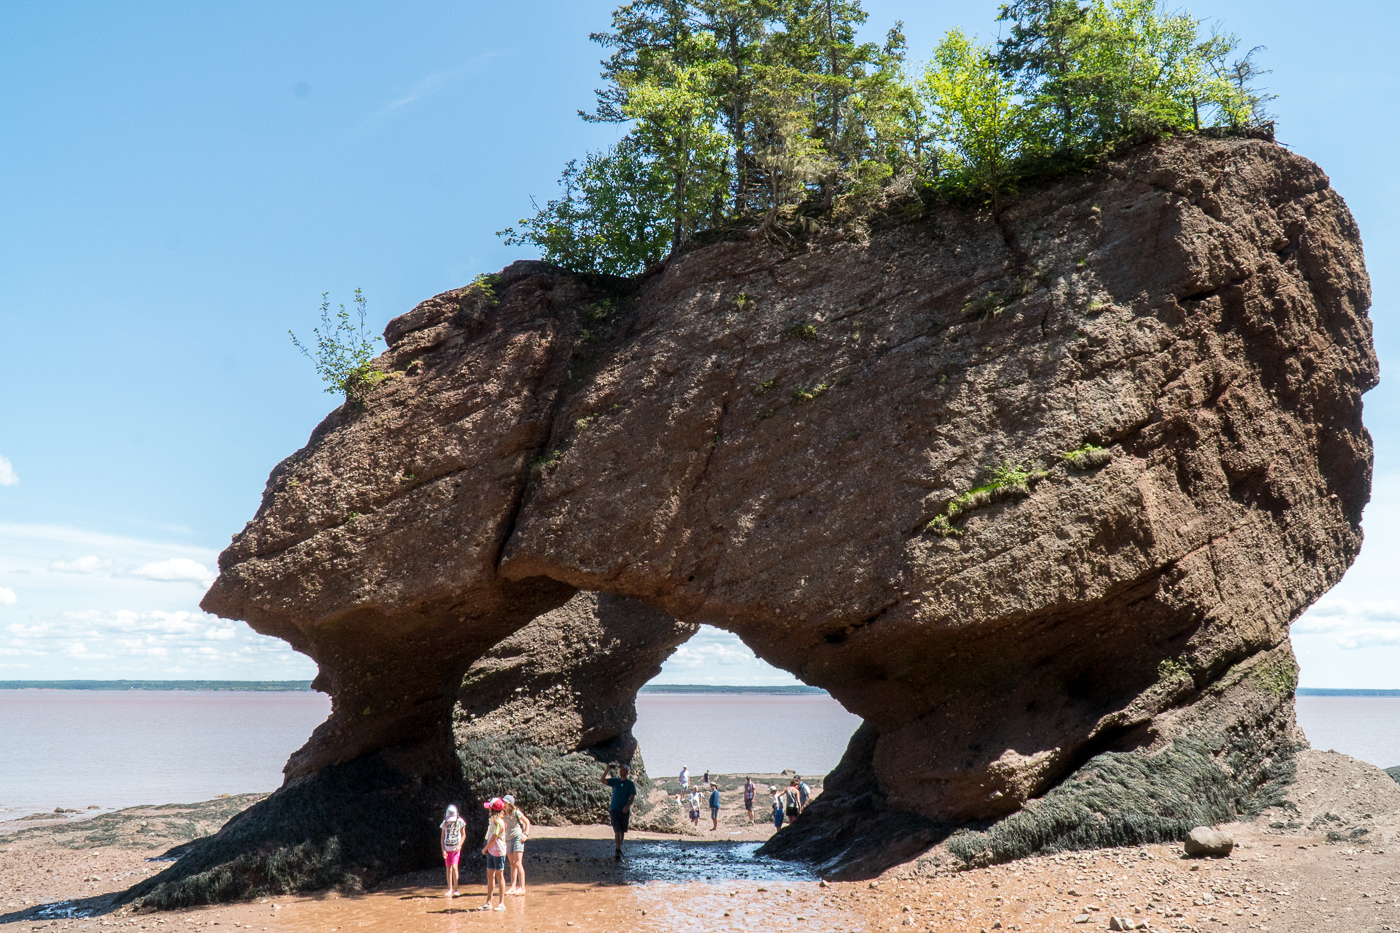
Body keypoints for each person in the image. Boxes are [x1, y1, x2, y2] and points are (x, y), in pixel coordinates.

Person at [601, 763, 637, 858]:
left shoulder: (630, 784)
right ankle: (617, 849)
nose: (621, 771)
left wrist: (627, 806)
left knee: (622, 831)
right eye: (620, 769)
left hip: (624, 811)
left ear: (627, 772)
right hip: (614, 810)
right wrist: (607, 770)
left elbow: (632, 797)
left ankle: (619, 848)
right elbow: (602, 780)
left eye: (623, 770)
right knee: (617, 830)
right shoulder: (615, 781)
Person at [480, 798, 507, 911]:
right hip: (491, 851)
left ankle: (501, 903)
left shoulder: (498, 823)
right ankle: (489, 902)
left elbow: (494, 839)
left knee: (499, 875)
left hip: (498, 852)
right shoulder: (493, 822)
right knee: (490, 875)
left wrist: (485, 848)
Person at [502, 794, 531, 896]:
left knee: (518, 863)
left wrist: (525, 834)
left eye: (505, 803)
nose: (504, 804)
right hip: (508, 839)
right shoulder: (502, 813)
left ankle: (522, 887)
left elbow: (527, 822)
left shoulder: (516, 812)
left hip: (518, 837)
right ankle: (513, 887)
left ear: (510, 804)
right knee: (512, 863)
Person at [439, 804, 466, 898]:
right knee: (448, 868)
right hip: (447, 849)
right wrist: (443, 850)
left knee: (454, 867)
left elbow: (463, 835)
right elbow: (442, 837)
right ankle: (449, 889)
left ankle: (456, 889)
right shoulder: (444, 823)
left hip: (455, 849)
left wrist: (459, 845)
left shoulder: (460, 822)